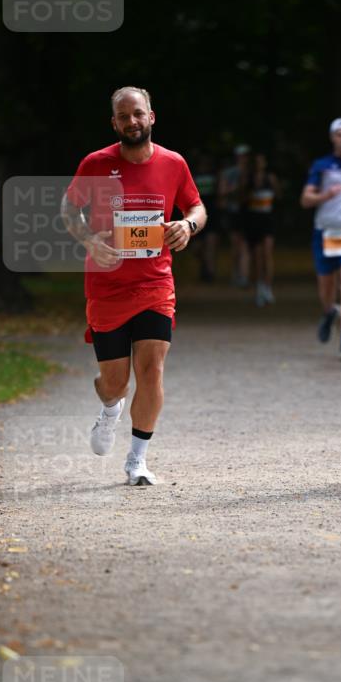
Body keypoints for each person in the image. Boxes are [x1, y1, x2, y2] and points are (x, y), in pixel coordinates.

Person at [61, 86, 206, 486]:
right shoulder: (95, 163)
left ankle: (137, 460)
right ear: (114, 123)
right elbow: (69, 208)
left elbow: (196, 206)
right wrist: (89, 240)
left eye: (138, 114)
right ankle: (110, 408)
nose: (132, 122)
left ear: (151, 116)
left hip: (155, 285)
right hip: (107, 287)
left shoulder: (173, 163)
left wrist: (188, 225)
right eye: (124, 117)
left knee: (152, 370)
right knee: (115, 382)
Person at [300, 118, 341, 360]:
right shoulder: (322, 166)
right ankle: (329, 312)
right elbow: (306, 199)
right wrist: (325, 195)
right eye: (338, 134)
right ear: (332, 138)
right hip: (325, 232)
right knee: (326, 287)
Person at [242, 151, 280, 306]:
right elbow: (242, 198)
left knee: (267, 254)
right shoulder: (248, 178)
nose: (259, 164)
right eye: (256, 161)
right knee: (257, 256)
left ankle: (268, 286)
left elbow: (278, 195)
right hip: (253, 219)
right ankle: (259, 287)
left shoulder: (270, 178)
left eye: (261, 161)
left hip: (267, 218)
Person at [218, 145, 251, 287]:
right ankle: (236, 273)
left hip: (249, 212)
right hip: (234, 212)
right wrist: (237, 189)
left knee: (245, 245)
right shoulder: (229, 173)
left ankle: (244, 276)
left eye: (246, 155)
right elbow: (222, 191)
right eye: (241, 155)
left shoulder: (252, 172)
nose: (243, 158)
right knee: (236, 245)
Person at [189, 152, 219, 282]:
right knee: (197, 248)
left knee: (210, 246)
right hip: (196, 215)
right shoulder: (193, 175)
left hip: (212, 214)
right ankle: (205, 265)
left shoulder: (215, 176)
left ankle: (210, 273)